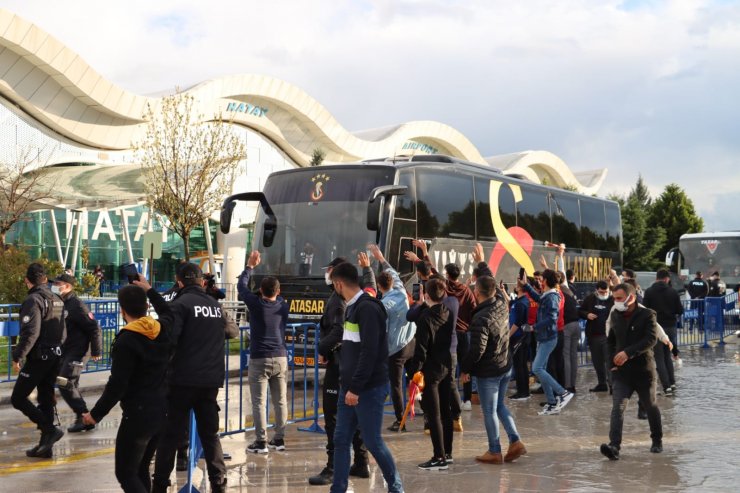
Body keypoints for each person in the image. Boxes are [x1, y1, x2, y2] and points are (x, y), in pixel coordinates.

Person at [152, 263, 238, 493]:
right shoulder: (214, 305)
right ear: (201, 282)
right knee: (210, 436)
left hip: (182, 380)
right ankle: (219, 483)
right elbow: (232, 331)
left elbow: (170, 339)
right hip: (210, 381)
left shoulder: (180, 305)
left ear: (179, 282)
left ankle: (160, 484)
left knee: (170, 436)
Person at [82, 280, 171, 492]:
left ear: (122, 310)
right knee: (140, 469)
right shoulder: (163, 330)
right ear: (146, 306)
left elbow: (117, 385)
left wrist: (95, 415)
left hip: (138, 415)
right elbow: (169, 312)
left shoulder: (127, 340)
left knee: (125, 473)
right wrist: (150, 290)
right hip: (162, 410)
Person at [329, 262, 403, 493]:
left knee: (372, 442)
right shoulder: (352, 307)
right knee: (341, 439)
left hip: (367, 389)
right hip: (349, 387)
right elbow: (353, 346)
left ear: (339, 283)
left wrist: (356, 389)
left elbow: (370, 353)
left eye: (333, 284)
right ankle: (338, 488)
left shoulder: (368, 308)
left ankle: (396, 486)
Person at [308, 257, 369, 486]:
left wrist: (322, 348)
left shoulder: (338, 300)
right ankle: (361, 462)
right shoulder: (351, 298)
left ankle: (333, 467)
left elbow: (338, 330)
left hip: (339, 364)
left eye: (330, 271)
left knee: (334, 418)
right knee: (352, 417)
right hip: (347, 362)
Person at [461, 276, 527, 464]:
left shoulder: (480, 318)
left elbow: (477, 350)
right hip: (505, 365)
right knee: (499, 406)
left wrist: (465, 369)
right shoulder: (501, 304)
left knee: (489, 410)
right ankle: (515, 441)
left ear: (476, 293)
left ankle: (494, 450)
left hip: (489, 370)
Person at [600, 283, 663, 460]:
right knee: (617, 408)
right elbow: (611, 340)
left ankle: (657, 440)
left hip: (644, 371)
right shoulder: (615, 314)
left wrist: (628, 353)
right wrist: (611, 360)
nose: (616, 301)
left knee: (650, 406)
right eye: (614, 298)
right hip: (621, 373)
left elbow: (651, 339)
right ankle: (614, 446)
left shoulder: (647, 314)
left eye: (619, 298)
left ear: (631, 297)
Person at [11, 263, 66, 458]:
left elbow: (30, 333)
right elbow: (63, 330)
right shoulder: (57, 298)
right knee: (45, 398)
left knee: (17, 397)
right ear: (44, 278)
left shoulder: (33, 300)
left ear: (27, 280)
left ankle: (49, 430)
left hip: (40, 357)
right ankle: (46, 446)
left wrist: (17, 355)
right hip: (55, 355)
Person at [238, 251, 290, 453]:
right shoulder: (283, 306)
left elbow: (241, 287)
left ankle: (261, 441)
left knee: (259, 402)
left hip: (260, 357)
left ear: (260, 290)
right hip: (281, 356)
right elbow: (277, 296)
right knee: (280, 400)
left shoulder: (256, 304)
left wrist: (250, 266)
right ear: (279, 291)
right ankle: (279, 439)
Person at [368, 244, 416, 432]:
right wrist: (381, 258)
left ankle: (400, 420)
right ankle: (427, 416)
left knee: (396, 385)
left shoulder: (382, 305)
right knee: (416, 379)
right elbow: (393, 273)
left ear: (380, 287)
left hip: (395, 349)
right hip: (411, 341)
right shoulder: (401, 291)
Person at [406, 278, 452, 470]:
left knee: (433, 415)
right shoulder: (447, 312)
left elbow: (421, 349)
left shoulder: (425, 317)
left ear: (426, 294)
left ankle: (439, 457)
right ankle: (447, 453)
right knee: (445, 412)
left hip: (431, 371)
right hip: (445, 366)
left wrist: (413, 371)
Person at [52, 273, 103, 433]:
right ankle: (83, 419)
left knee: (64, 381)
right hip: (67, 350)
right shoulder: (61, 302)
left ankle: (84, 416)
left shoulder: (76, 304)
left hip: (79, 351)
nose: (55, 286)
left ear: (67, 286)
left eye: (58, 283)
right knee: (71, 384)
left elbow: (94, 327)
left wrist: (96, 350)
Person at [520, 269, 573, 415]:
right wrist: (526, 286)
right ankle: (551, 403)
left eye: (541, 279)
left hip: (548, 338)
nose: (539, 281)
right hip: (543, 337)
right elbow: (538, 298)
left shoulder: (552, 297)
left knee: (537, 368)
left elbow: (552, 319)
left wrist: (533, 327)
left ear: (547, 281)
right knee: (541, 369)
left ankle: (563, 393)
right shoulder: (547, 295)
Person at [643, 270, 683, 395]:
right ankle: (672, 383)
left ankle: (666, 387)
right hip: (670, 327)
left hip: (656, 327)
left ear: (657, 278)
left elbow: (645, 310)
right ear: (667, 279)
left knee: (659, 357)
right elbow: (680, 310)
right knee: (667, 356)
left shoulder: (649, 291)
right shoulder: (673, 292)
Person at [579, 281, 614, 392]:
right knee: (597, 361)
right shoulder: (590, 298)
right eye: (601, 292)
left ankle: (613, 385)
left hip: (608, 336)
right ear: (597, 290)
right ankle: (602, 383)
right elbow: (580, 311)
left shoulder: (613, 299)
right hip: (594, 335)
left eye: (606, 292)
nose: (604, 294)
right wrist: (587, 315)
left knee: (609, 361)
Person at [508, 281, 531, 400]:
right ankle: (523, 391)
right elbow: (510, 302)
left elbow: (518, 323)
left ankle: (523, 392)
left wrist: (508, 335)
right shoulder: (518, 301)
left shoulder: (522, 303)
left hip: (519, 337)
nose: (515, 285)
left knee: (520, 365)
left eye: (518, 284)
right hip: (517, 337)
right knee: (520, 365)